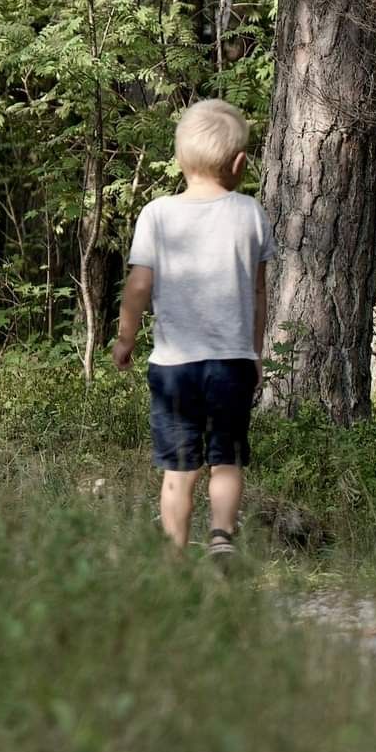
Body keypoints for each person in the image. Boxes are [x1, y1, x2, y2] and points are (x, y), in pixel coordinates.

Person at [111, 98, 272, 560]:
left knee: (179, 470)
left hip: (174, 367)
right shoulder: (250, 213)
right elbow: (259, 294)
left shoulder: (157, 214)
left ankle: (174, 556)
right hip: (232, 362)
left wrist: (126, 339)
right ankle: (221, 537)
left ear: (180, 160)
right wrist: (254, 352)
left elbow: (139, 285)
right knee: (227, 460)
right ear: (240, 163)